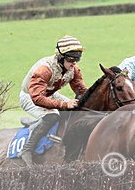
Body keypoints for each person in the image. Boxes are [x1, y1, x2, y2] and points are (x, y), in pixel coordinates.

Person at [18, 35, 88, 165]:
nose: (74, 63)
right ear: (61, 57)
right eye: (71, 59)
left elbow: (83, 91)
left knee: (76, 108)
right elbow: (37, 98)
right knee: (52, 116)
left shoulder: (73, 69)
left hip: (50, 94)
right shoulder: (44, 69)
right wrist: (64, 104)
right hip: (30, 97)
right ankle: (26, 149)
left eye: (77, 59)